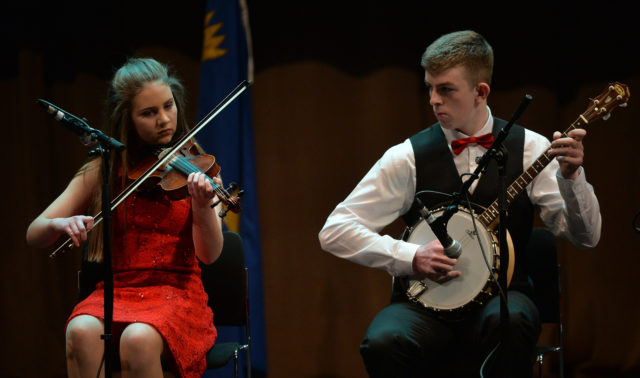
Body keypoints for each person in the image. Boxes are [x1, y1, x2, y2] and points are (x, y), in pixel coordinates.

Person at [318, 30, 601, 378]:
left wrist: (572, 179)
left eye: (446, 89)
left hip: (503, 297)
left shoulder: (531, 148)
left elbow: (586, 237)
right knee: (383, 341)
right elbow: (334, 231)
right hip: (425, 305)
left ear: (480, 92)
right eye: (430, 88)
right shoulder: (407, 156)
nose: (434, 100)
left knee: (511, 321)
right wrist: (410, 256)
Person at [26, 58, 224, 378]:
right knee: (79, 331)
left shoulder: (197, 167)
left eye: (168, 106)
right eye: (148, 113)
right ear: (128, 120)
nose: (164, 119)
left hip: (177, 294)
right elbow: (34, 233)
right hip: (118, 291)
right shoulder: (103, 169)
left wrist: (202, 207)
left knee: (138, 338)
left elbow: (210, 255)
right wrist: (57, 224)